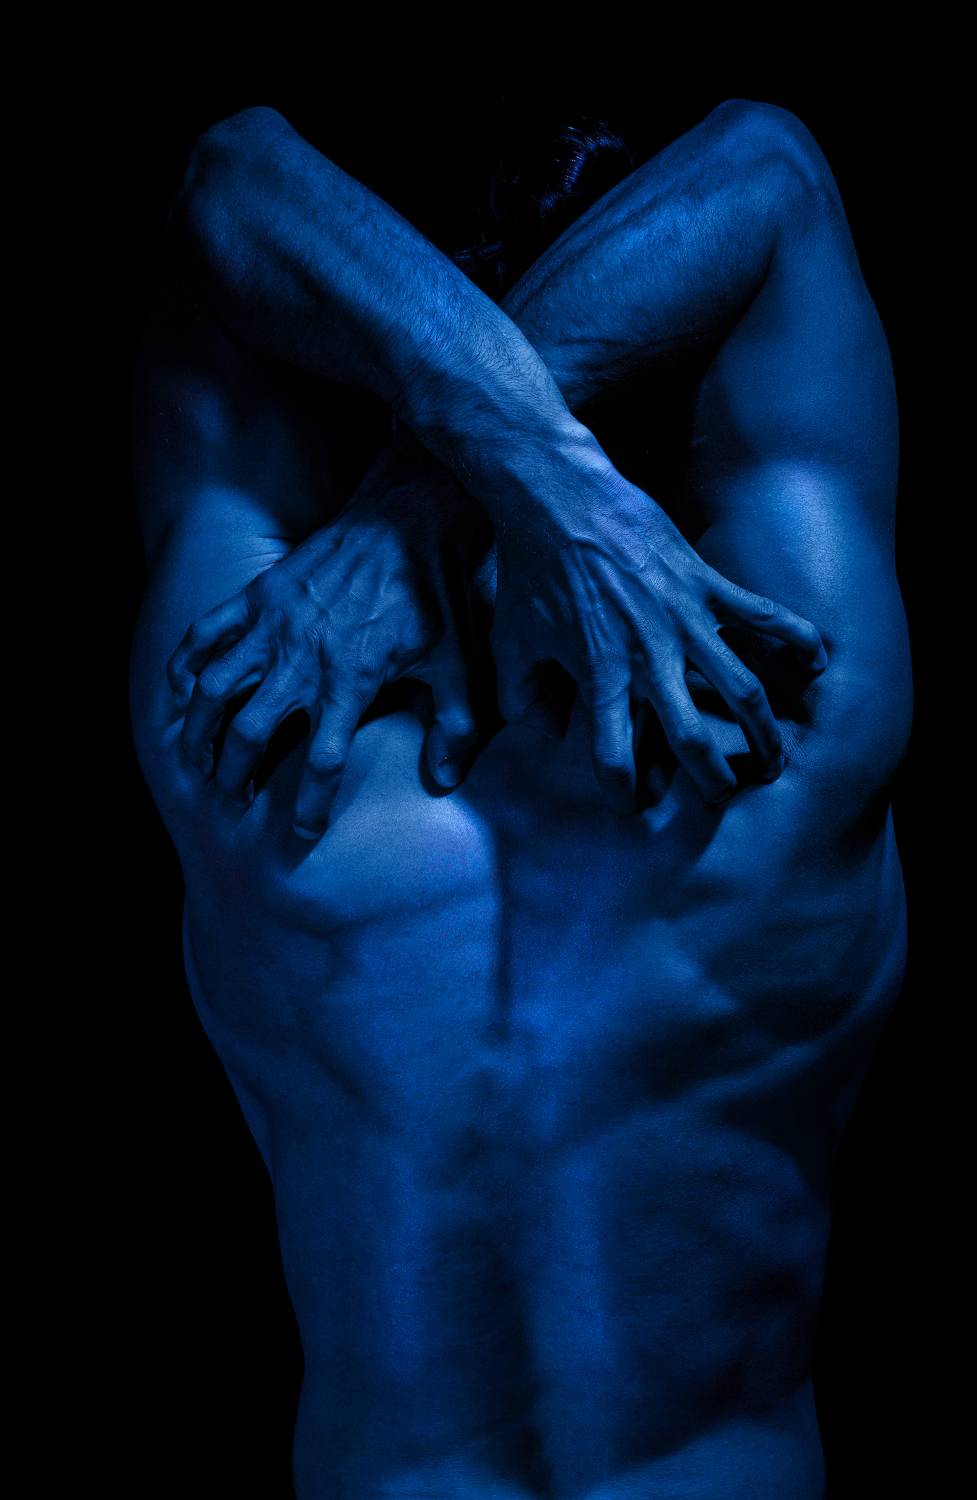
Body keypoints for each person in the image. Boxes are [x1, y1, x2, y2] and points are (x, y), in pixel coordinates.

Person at [129, 98, 911, 1499]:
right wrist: (561, 482)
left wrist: (433, 489)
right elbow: (771, 174)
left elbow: (233, 183)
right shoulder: (788, 717)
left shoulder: (246, 720)